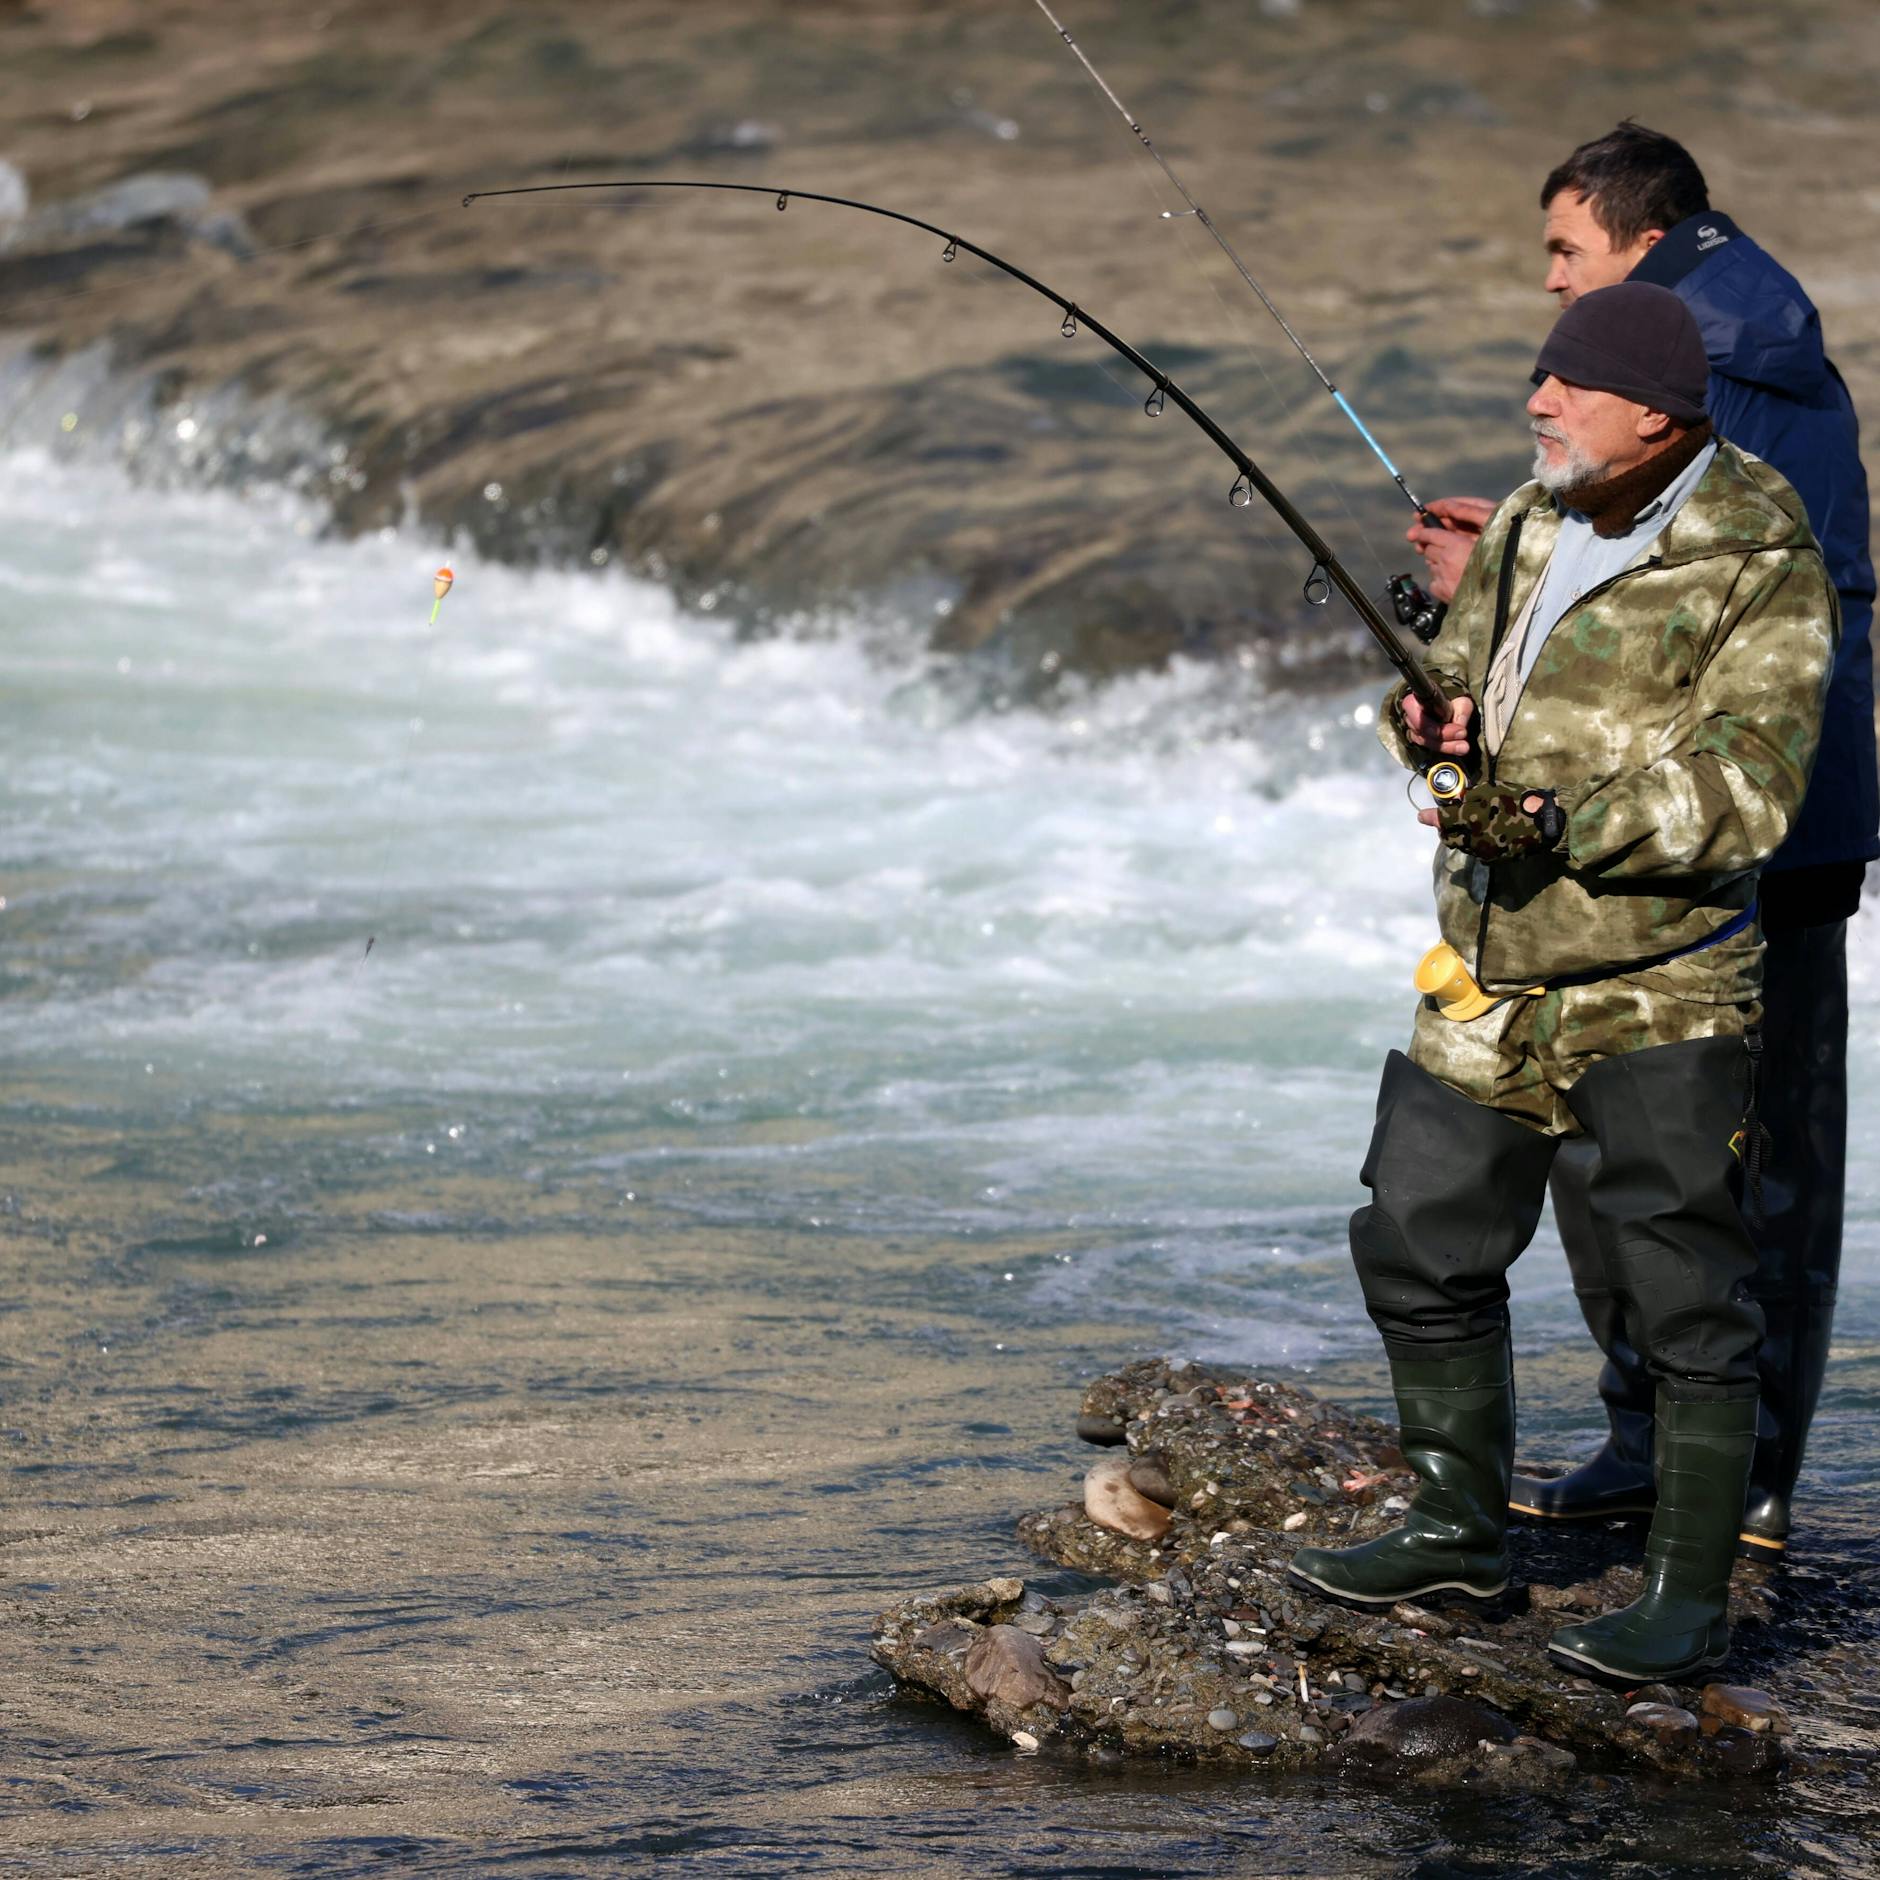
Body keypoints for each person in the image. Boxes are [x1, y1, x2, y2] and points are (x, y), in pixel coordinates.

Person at [1288, 282, 1836, 1682]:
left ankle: (1686, 1605)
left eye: (1566, 385)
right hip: (1487, 969)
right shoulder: (1534, 518)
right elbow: (1458, 688)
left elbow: (1752, 795)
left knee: (1687, 1298)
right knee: (1415, 1238)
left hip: (1660, 985)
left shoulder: (1758, 558)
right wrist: (1429, 728)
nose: (1537, 401)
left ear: (1651, 416)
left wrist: (1557, 822)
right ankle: (1457, 1532)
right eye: (1540, 376)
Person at [1406, 123, 1876, 1557]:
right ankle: (1677, 1451)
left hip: (1746, 822)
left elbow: (1710, 582)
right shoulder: (1726, 329)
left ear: (1638, 236)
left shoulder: (1701, 352)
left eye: (1566, 252)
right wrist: (1507, 557)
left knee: (1721, 1156)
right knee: (1672, 1145)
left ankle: (1725, 1479)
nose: (1552, 293)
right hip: (1748, 808)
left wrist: (1502, 557)